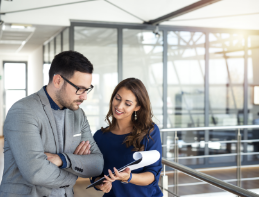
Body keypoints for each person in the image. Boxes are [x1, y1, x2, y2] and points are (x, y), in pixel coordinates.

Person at [0, 51, 104, 197]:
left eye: (87, 89)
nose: (84, 96)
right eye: (79, 89)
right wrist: (74, 174)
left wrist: (64, 160)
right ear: (57, 81)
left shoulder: (77, 115)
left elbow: (97, 164)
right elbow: (36, 172)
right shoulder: (23, 111)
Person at [92, 78, 163, 197]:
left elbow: (153, 174)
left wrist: (128, 177)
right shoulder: (99, 136)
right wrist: (100, 184)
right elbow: (96, 175)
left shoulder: (149, 131)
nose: (119, 106)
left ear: (137, 107)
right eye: (117, 98)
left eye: (127, 104)